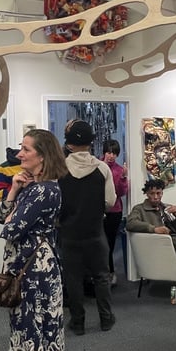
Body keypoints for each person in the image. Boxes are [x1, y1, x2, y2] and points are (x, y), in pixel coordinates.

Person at [0, 129, 68, 351]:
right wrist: (13, 190)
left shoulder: (45, 190)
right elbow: (4, 217)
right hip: (30, 270)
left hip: (37, 272)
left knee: (41, 332)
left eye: (26, 149)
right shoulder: (31, 186)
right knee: (31, 330)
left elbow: (10, 230)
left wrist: (15, 214)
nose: (19, 154)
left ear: (43, 155)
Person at [58, 120, 117, 334]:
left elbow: (55, 203)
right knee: (101, 276)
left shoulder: (60, 169)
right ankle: (106, 319)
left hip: (69, 234)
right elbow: (110, 201)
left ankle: (78, 322)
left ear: (69, 145)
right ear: (91, 143)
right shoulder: (102, 168)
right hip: (95, 231)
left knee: (73, 279)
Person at [101, 138, 130, 284]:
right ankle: (101, 273)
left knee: (110, 243)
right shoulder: (96, 166)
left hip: (114, 211)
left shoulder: (118, 170)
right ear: (104, 152)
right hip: (98, 211)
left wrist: (124, 177)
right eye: (109, 152)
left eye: (114, 153)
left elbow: (121, 192)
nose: (111, 156)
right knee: (100, 243)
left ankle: (110, 272)